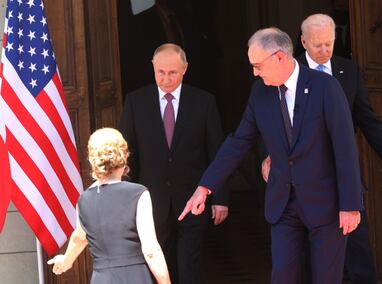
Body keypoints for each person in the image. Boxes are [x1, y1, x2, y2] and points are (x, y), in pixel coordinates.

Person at [179, 26, 365, 283]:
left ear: (279, 57)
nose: (254, 72)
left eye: (257, 65)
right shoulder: (260, 92)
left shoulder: (325, 87)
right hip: (283, 204)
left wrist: (351, 205)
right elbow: (239, 141)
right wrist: (205, 186)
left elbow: (344, 147)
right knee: (283, 276)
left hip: (326, 205)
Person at [262, 13, 382, 284]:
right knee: (307, 261)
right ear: (303, 42)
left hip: (344, 179)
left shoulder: (348, 70)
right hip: (303, 185)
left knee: (359, 252)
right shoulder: (287, 72)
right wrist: (271, 155)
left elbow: (366, 117)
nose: (324, 50)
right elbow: (270, 119)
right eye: (317, 45)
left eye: (329, 43)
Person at [118, 43, 228, 284]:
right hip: (151, 201)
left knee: (190, 266)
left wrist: (219, 198)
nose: (166, 79)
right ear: (153, 68)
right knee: (157, 266)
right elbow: (126, 156)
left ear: (185, 69)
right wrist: (127, 200)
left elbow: (217, 153)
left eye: (173, 72)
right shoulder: (136, 102)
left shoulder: (204, 102)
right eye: (161, 72)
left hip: (193, 199)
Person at [47, 128, 170, 284]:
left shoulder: (83, 200)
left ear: (92, 160)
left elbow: (79, 238)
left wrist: (66, 261)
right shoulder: (138, 194)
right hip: (135, 277)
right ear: (124, 157)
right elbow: (151, 250)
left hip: (102, 279)